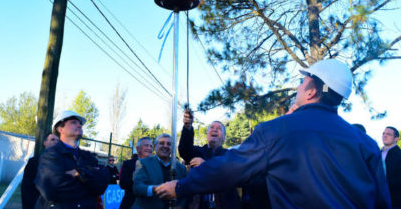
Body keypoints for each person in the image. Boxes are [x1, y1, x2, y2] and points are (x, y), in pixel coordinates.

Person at [156, 59, 391, 208]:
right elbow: (382, 201)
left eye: (302, 81)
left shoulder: (274, 131)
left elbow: (230, 168)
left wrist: (181, 186)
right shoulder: (367, 143)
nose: (298, 86)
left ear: (310, 91)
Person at [35, 110, 110, 209]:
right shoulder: (51, 155)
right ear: (60, 128)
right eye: (74, 122)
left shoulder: (89, 157)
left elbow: (101, 185)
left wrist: (79, 173)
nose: (79, 125)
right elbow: (51, 190)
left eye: (80, 124)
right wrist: (89, 183)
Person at [178, 110, 242, 208]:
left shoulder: (230, 155)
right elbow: (184, 150)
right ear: (207, 134)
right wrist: (187, 127)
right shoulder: (197, 152)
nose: (214, 130)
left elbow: (230, 174)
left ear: (224, 137)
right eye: (211, 127)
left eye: (219, 128)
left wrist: (205, 165)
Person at [132, 134, 186, 209]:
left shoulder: (181, 168)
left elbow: (186, 192)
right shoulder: (143, 163)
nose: (165, 146)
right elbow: (137, 188)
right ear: (155, 146)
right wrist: (157, 188)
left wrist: (181, 205)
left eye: (169, 144)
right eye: (161, 143)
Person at [21, 133, 58, 209]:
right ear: (45, 143)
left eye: (58, 140)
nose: (56, 142)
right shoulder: (34, 162)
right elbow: (26, 187)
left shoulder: (64, 163)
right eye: (52, 139)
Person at [119, 137, 154, 209]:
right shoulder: (128, 164)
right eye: (146, 145)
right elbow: (123, 184)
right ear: (138, 149)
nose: (149, 148)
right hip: (131, 203)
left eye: (151, 146)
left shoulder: (156, 165)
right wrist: (136, 178)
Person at [382, 126, 401, 208]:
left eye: (388, 134)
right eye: (383, 133)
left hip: (394, 200)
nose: (384, 136)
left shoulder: (399, 155)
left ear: (397, 139)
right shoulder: (376, 153)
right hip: (375, 198)